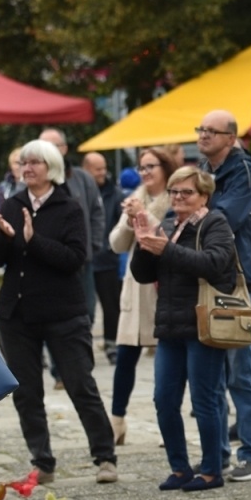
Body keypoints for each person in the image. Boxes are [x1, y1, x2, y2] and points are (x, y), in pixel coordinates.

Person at [0, 139, 119, 484]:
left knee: (80, 384)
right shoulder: (12, 205)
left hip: (63, 312)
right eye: (24, 163)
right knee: (26, 392)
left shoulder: (69, 207)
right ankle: (42, 462)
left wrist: (33, 241)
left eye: (35, 163)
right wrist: (2, 236)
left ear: (52, 168)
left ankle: (105, 456)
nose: (27, 169)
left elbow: (75, 259)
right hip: (17, 314)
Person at [129, 166, 238, 491]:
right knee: (163, 399)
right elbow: (143, 275)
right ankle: (179, 468)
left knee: (204, 400)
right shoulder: (167, 225)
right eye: (174, 192)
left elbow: (217, 264)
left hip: (204, 324)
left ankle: (211, 469)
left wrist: (167, 249)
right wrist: (144, 245)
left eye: (186, 192)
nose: (178, 198)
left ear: (203, 195)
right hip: (170, 326)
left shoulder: (214, 222)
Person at [196, 110, 251, 478]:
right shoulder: (204, 170)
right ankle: (218, 453)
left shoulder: (241, 171)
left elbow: (227, 216)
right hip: (205, 274)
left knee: (241, 371)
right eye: (200, 129)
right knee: (209, 374)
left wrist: (197, 211)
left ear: (231, 138)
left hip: (236, 280)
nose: (203, 135)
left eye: (211, 131)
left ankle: (250, 454)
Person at [108, 147, 175, 445]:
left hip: (164, 287)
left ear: (165, 167)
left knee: (168, 361)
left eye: (151, 166)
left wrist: (142, 215)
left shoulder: (175, 198)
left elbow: (168, 237)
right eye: (142, 167)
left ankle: (168, 421)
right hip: (135, 288)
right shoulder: (136, 197)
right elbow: (116, 245)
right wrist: (127, 219)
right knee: (125, 357)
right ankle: (117, 421)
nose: (145, 172)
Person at [39, 128, 107, 328]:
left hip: (80, 262)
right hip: (45, 263)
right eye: (42, 147)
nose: (47, 152)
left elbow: (97, 213)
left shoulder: (82, 179)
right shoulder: (33, 181)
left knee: (87, 314)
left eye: (53, 146)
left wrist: (91, 246)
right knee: (50, 318)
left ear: (65, 149)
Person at [83, 152, 124, 359]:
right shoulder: (80, 191)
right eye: (97, 169)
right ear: (86, 170)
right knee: (85, 308)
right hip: (84, 259)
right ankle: (83, 345)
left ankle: (111, 344)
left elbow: (121, 222)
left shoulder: (115, 193)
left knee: (111, 306)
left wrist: (109, 247)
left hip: (107, 259)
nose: (102, 173)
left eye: (104, 168)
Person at [0, 147, 23, 217]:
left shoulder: (36, 187)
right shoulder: (2, 188)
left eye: (23, 163)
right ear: (11, 165)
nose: (19, 166)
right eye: (16, 163)